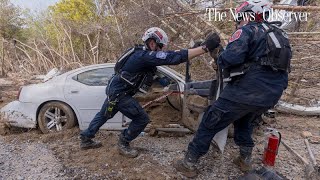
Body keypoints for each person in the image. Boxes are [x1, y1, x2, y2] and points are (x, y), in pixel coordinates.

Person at [174, 0, 292, 177]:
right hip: (271, 95)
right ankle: (245, 159)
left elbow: (230, 58)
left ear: (248, 14)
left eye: (240, 17)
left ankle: (189, 162)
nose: (238, 21)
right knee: (244, 120)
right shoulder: (280, 35)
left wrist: (218, 54)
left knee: (210, 120)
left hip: (247, 90)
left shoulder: (248, 30)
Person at [79, 27, 221, 158]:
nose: (161, 51)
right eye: (160, 47)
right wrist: (204, 48)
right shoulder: (143, 56)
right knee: (142, 119)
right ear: (152, 43)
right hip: (120, 94)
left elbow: (159, 69)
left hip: (115, 91)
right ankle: (123, 142)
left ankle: (85, 138)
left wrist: (167, 82)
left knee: (104, 115)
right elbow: (172, 57)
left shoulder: (143, 56)